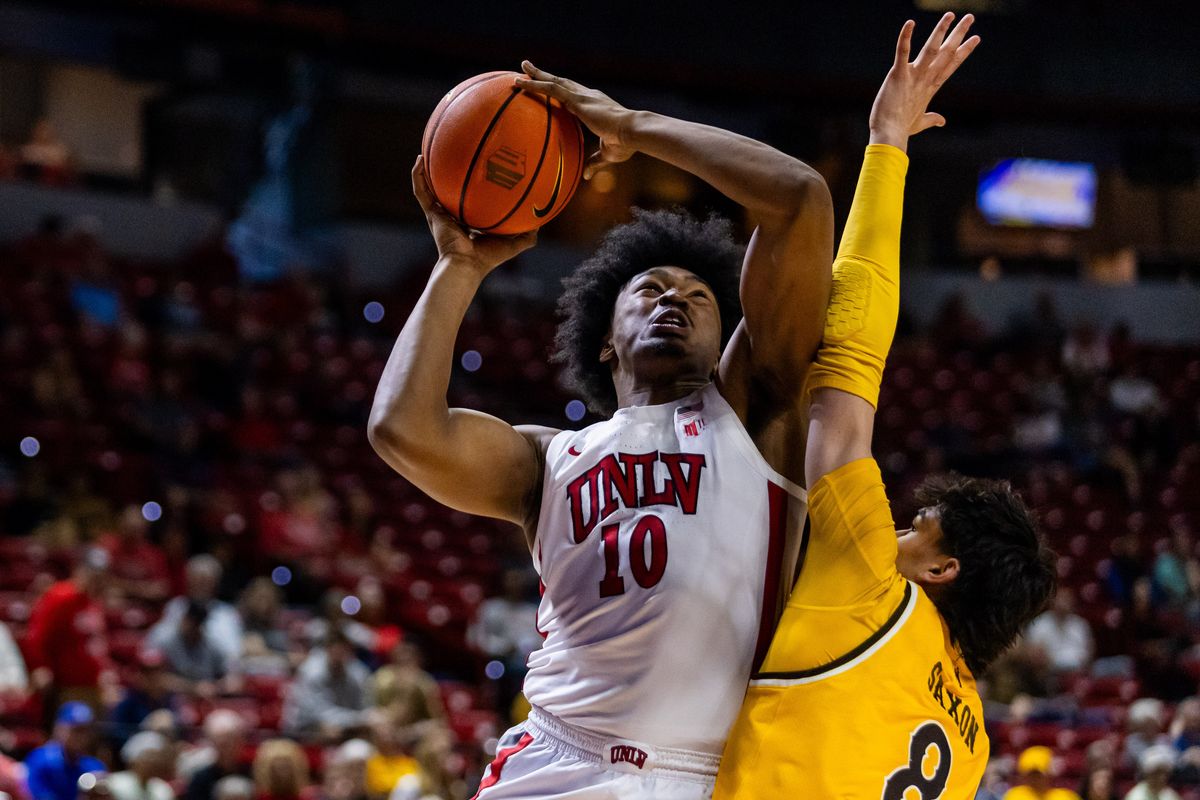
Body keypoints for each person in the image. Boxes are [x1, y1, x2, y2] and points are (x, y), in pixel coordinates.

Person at [370, 23, 835, 798]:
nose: (674, 303)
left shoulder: (753, 412)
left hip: (698, 775)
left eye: (697, 298)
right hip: (554, 760)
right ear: (606, 344)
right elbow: (402, 430)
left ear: (727, 336)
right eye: (649, 291)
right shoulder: (549, 460)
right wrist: (459, 264)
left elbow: (799, 200)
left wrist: (633, 128)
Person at [713, 15, 1056, 799]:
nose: (894, 529)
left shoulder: (876, 583)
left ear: (940, 569)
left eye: (915, 530)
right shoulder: (971, 740)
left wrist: (886, 144)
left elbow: (851, 362)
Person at [24, 548, 113, 714]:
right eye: (93, 573)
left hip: (92, 684)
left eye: (101, 574)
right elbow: (38, 635)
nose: (97, 579)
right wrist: (40, 666)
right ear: (79, 570)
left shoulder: (93, 602)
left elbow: (96, 643)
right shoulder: (60, 596)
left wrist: (105, 671)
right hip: (67, 686)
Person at [24, 702, 107, 800]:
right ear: (59, 728)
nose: (80, 736)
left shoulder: (94, 766)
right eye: (75, 730)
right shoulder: (40, 760)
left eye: (85, 730)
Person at [181, 710, 249, 800]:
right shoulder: (200, 780)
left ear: (241, 741)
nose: (226, 749)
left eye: (230, 742)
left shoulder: (252, 773)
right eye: (221, 744)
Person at [107, 732, 174, 800]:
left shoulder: (162, 789)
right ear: (135, 761)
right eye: (149, 757)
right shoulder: (113, 783)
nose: (153, 762)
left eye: (157, 758)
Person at [1000, 747, 1081, 800]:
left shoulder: (1065, 797)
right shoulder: (1014, 796)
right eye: (1030, 775)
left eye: (1038, 775)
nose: (1034, 779)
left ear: (1049, 773)